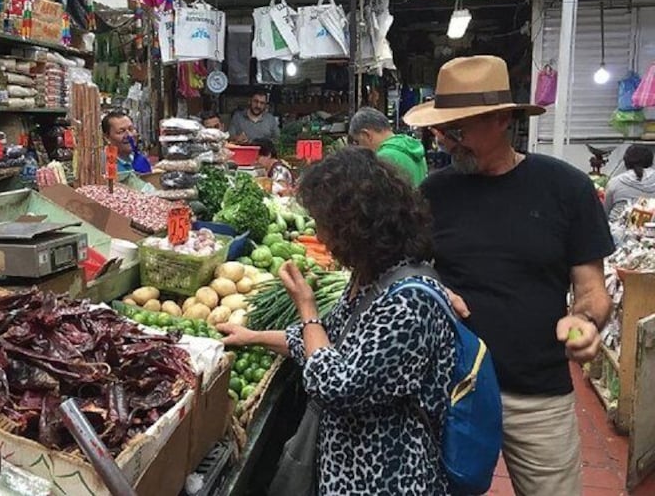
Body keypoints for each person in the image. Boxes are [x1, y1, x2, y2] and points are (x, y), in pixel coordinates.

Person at [404, 55, 614, 496]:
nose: (446, 142)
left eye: (458, 130)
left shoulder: (566, 189)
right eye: (442, 131)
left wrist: (586, 322)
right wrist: (434, 287)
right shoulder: (432, 194)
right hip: (451, 389)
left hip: (536, 394)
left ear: (502, 120)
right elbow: (408, 271)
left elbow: (592, 290)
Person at [218, 147, 457, 495]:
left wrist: (306, 306)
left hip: (386, 477)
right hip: (348, 470)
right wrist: (251, 336)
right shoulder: (372, 277)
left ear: (355, 226)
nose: (321, 236)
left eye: (324, 224)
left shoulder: (409, 300)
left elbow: (335, 386)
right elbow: (322, 341)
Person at [349, 107, 428, 186]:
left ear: (366, 135)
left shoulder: (383, 158)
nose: (359, 147)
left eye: (358, 141)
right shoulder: (413, 148)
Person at [101, 110, 154, 193]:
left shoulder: (136, 158)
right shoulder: (104, 163)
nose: (129, 135)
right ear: (107, 137)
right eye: (121, 132)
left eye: (131, 129)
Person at [603, 144, 655, 217]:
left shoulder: (615, 182)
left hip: (617, 226)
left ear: (626, 161)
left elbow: (605, 212)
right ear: (651, 161)